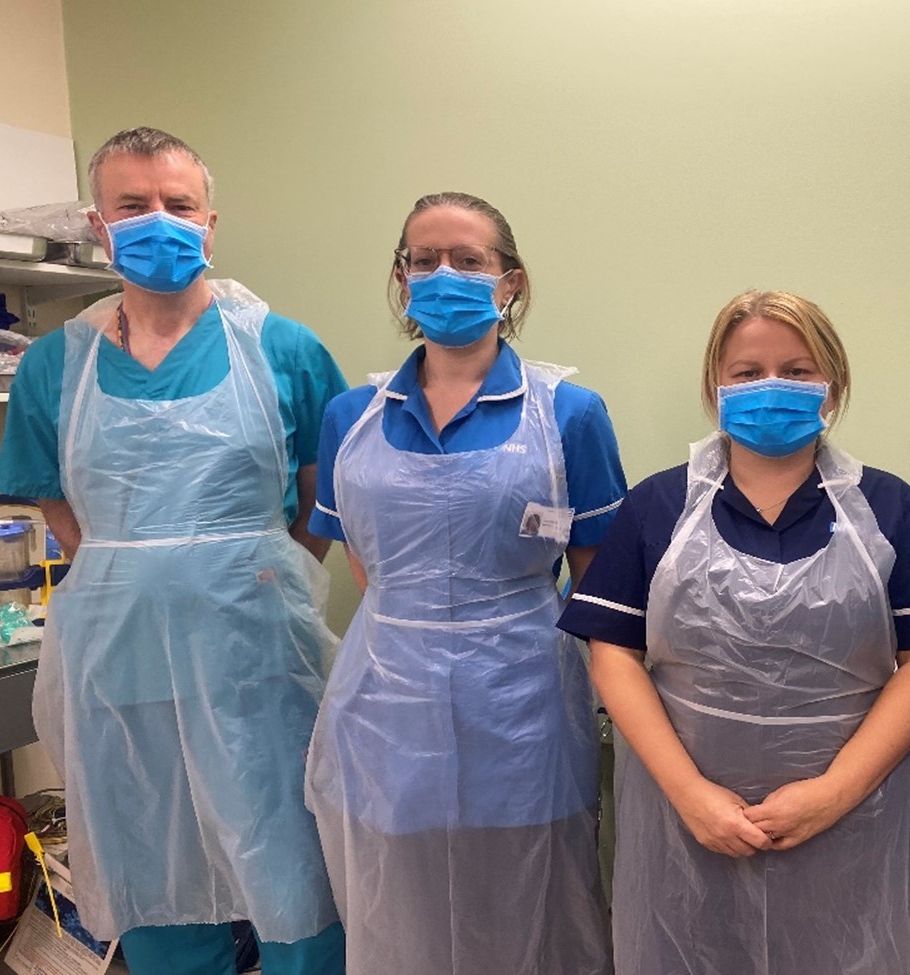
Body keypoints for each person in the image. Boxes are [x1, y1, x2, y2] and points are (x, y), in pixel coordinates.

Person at [0, 127, 349, 974]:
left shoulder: (283, 349)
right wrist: (134, 570)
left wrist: (256, 571)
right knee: (148, 851)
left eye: (178, 205)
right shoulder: (56, 366)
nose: (160, 221)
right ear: (99, 224)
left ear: (211, 222)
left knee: (289, 855)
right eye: (134, 205)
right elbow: (57, 502)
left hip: (258, 653)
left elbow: (326, 496)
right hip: (119, 658)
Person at [560, 291, 910, 975]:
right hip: (685, 819)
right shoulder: (658, 504)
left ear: (833, 385)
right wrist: (690, 793)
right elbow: (613, 652)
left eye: (797, 370)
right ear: (715, 387)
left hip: (856, 816)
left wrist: (833, 792)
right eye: (747, 371)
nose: (771, 387)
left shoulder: (886, 506)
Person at [304, 191, 626, 974]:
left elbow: (599, 584)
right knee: (400, 898)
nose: (444, 274)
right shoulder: (355, 413)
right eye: (424, 260)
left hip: (524, 701)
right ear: (401, 277)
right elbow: (367, 562)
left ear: (509, 282)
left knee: (529, 893)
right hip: (386, 701)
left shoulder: (568, 415)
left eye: (469, 260)